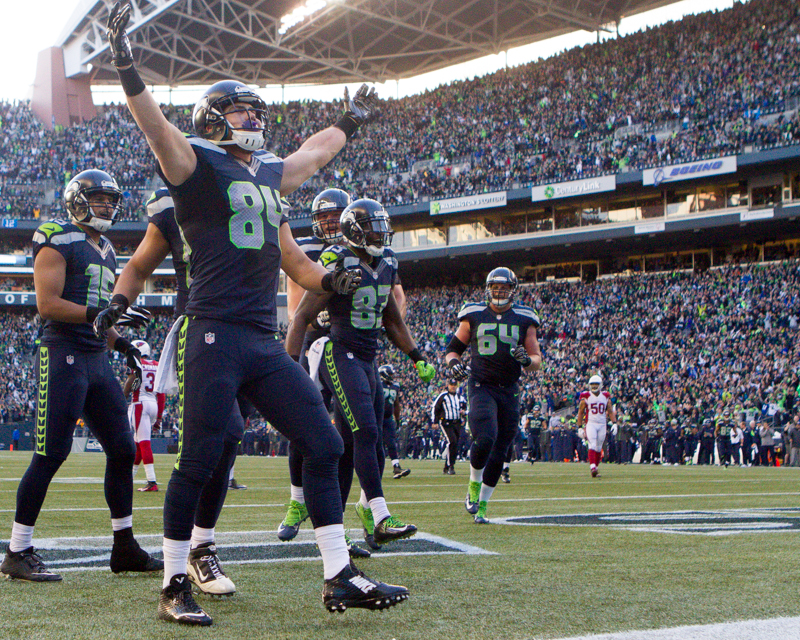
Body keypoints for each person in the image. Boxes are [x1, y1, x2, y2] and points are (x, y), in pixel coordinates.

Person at [100, 3, 407, 625]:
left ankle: (337, 573)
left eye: (257, 110)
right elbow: (154, 125)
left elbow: (300, 229)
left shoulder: (267, 175)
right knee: (200, 457)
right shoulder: (193, 162)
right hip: (210, 331)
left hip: (261, 339)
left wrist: (331, 275)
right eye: (244, 109)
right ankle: (173, 582)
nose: (255, 118)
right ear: (216, 116)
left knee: (322, 440)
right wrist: (127, 63)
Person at [0, 169, 161, 582]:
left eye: (111, 199)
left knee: (124, 451)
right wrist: (98, 316)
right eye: (99, 198)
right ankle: (17, 551)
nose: (107, 206)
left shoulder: (106, 247)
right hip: (62, 352)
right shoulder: (57, 236)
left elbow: (100, 316)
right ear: (76, 200)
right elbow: (48, 304)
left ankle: (123, 546)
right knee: (51, 452)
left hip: (94, 356)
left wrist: (120, 343)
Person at [110, 186, 249, 597]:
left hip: (249, 328)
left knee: (232, 437)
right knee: (217, 439)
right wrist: (117, 304)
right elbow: (137, 264)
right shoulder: (174, 203)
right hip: (201, 327)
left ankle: (199, 547)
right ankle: (194, 552)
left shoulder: (246, 188)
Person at [285, 198, 435, 551]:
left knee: (361, 446)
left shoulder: (388, 263)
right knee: (365, 431)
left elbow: (393, 319)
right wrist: (291, 363)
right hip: (339, 353)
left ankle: (337, 530)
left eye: (381, 225)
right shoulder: (338, 259)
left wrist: (415, 356)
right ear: (354, 230)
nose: (379, 233)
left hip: (368, 358)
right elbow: (302, 316)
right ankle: (381, 516)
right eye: (372, 226)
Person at [444, 267, 542, 524]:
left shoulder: (524, 317)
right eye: (495, 287)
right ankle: (473, 486)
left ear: (513, 290)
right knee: (486, 437)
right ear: (488, 288)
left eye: (504, 288)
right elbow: (453, 349)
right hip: (481, 385)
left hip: (509, 389)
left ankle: (484, 506)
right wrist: (454, 364)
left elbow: (537, 360)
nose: (499, 292)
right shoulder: (474, 313)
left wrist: (526, 360)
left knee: (501, 450)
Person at [124, 339, 165, 491]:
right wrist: (159, 417)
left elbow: (130, 381)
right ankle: (129, 477)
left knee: (143, 443)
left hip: (139, 403)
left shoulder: (136, 363)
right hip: (153, 403)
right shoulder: (156, 365)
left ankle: (152, 481)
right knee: (138, 443)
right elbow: (161, 394)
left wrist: (123, 398)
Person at [576, 374, 617, 477]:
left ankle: (596, 467)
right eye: (592, 384)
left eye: (596, 384)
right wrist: (580, 427)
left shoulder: (605, 396)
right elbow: (580, 412)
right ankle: (592, 467)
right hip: (591, 423)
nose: (594, 387)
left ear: (600, 385)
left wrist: (614, 423)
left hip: (602, 424)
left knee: (599, 448)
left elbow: (610, 411)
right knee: (592, 445)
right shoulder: (586, 396)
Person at [379, 364, 411, 479]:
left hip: (388, 419)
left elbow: (396, 404)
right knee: (377, 444)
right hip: (376, 418)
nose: (392, 376)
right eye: (391, 374)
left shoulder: (395, 386)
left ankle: (396, 467)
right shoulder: (377, 384)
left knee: (391, 442)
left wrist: (397, 419)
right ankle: (373, 469)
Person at [431, 379, 465, 474]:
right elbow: (435, 408)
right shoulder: (443, 396)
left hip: (457, 423)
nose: (453, 386)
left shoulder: (460, 397)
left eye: (454, 385)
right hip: (446, 423)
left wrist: (463, 412)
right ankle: (451, 466)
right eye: (451, 385)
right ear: (448, 385)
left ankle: (446, 466)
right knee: (452, 441)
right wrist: (434, 421)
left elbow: (464, 407)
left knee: (454, 444)